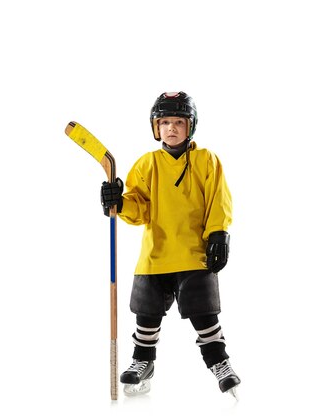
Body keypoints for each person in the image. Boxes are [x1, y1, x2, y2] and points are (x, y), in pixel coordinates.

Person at [100, 91, 240, 396]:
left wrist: (218, 233)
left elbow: (219, 200)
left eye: (178, 121)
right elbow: (140, 207)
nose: (172, 128)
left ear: (190, 126)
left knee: (204, 315)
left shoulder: (206, 160)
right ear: (156, 127)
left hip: (194, 255)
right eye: (165, 122)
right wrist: (119, 203)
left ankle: (220, 363)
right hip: (155, 256)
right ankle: (142, 362)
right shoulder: (147, 164)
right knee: (146, 314)